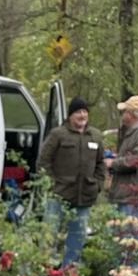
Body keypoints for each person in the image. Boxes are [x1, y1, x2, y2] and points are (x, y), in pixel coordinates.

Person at [37, 96, 104, 264]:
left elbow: (101, 163)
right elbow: (43, 162)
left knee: (78, 235)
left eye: (84, 112)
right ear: (70, 115)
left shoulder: (95, 135)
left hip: (85, 196)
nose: (82, 115)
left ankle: (69, 270)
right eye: (78, 112)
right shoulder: (58, 134)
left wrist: (98, 185)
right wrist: (52, 184)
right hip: (59, 195)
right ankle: (44, 268)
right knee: (49, 233)